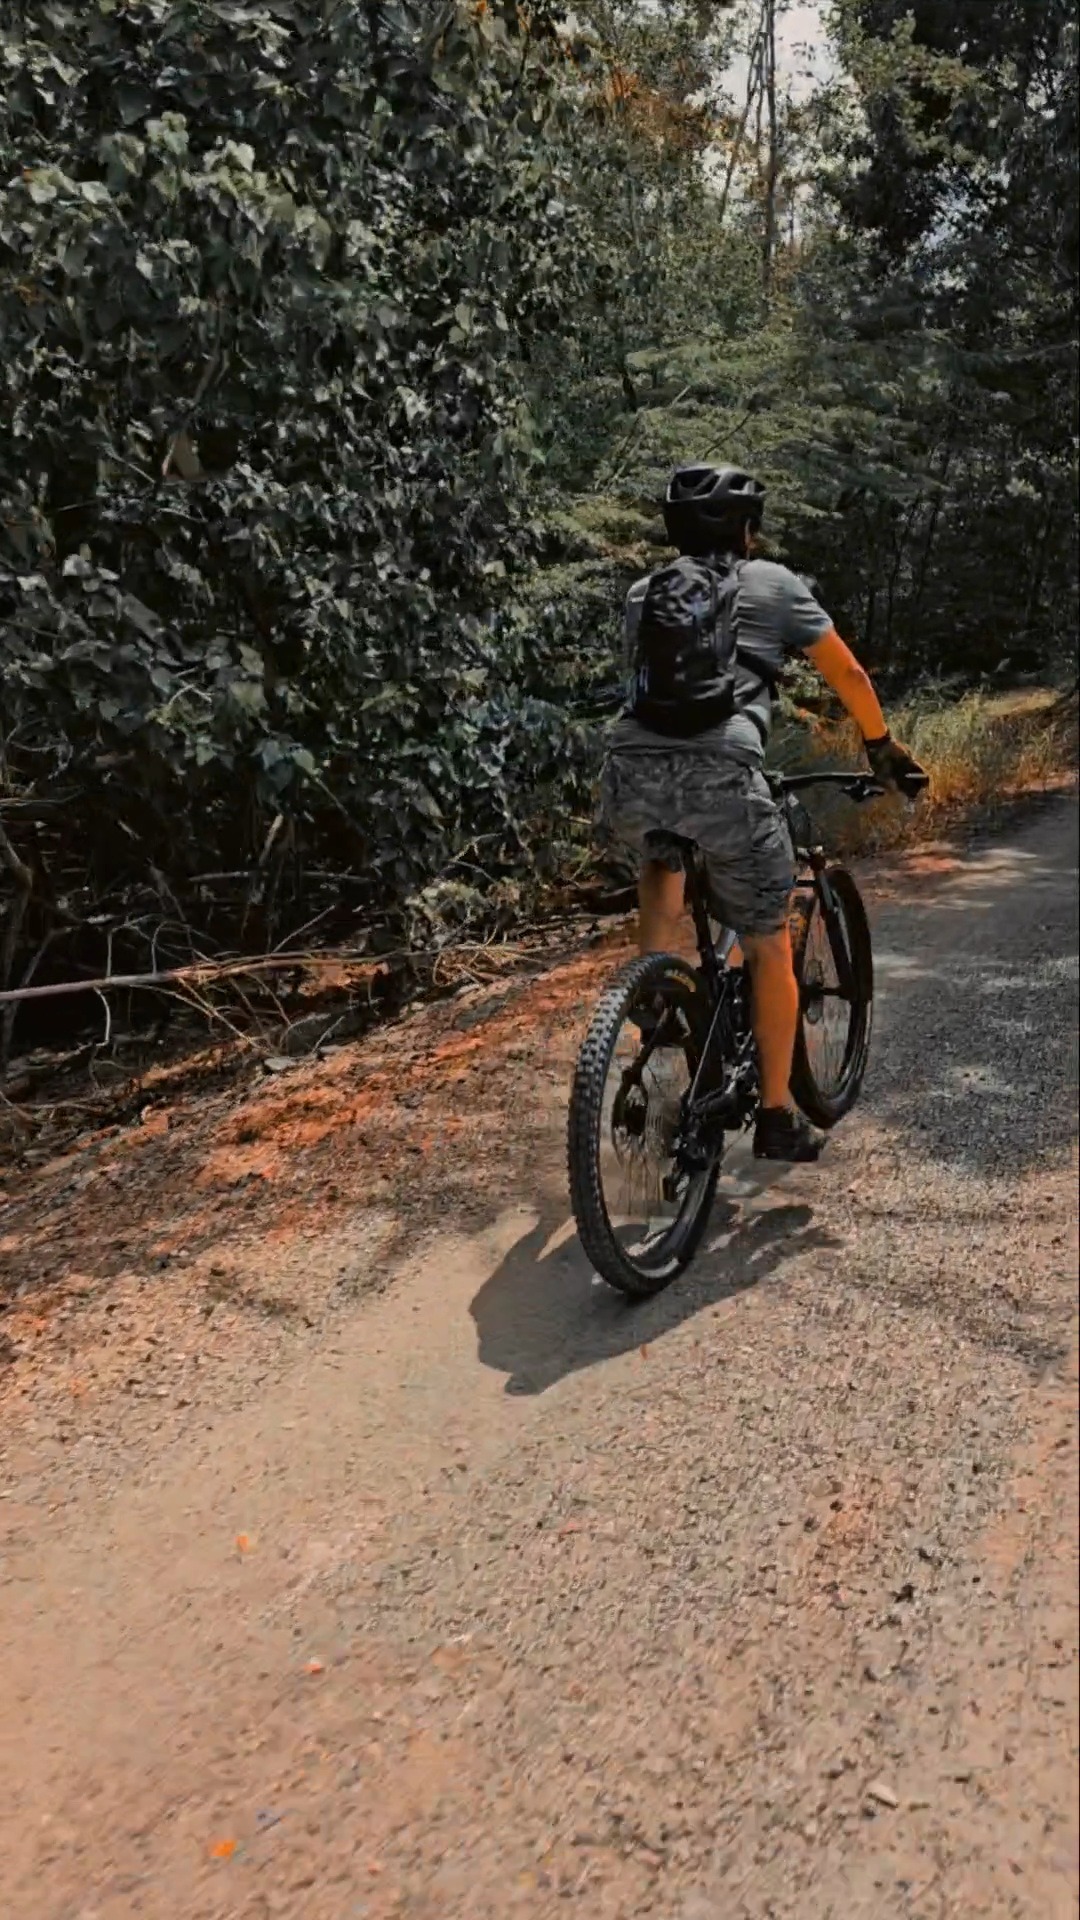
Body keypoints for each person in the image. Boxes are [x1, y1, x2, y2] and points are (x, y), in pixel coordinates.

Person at [600, 463, 926, 1164]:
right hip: (723, 773)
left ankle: (657, 995)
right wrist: (882, 746)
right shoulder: (775, 584)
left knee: (663, 859)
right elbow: (849, 675)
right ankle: (777, 1115)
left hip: (629, 772)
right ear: (747, 529)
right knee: (767, 939)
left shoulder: (642, 592)